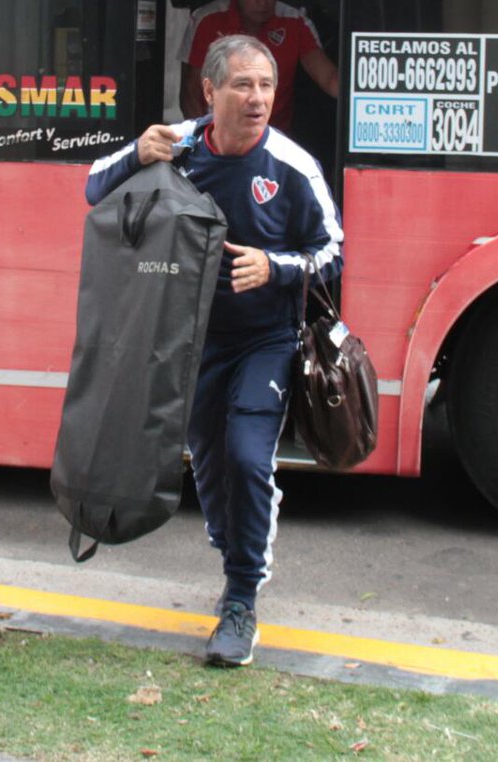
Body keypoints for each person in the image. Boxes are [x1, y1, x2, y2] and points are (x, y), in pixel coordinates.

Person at [86, 34, 343, 666]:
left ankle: (241, 597)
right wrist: (132, 159)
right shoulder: (176, 146)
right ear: (210, 91)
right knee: (206, 459)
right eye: (243, 85)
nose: (257, 99)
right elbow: (93, 189)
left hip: (267, 340)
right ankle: (233, 552)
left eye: (267, 86)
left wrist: (276, 266)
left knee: (247, 457)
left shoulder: (291, 166)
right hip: (188, 339)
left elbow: (333, 252)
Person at [177, 0, 338, 134]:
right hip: (219, 137)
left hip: (276, 137)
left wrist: (368, 104)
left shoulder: (295, 22)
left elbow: (329, 78)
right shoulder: (207, 19)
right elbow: (191, 93)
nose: (263, 1)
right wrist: (204, 141)